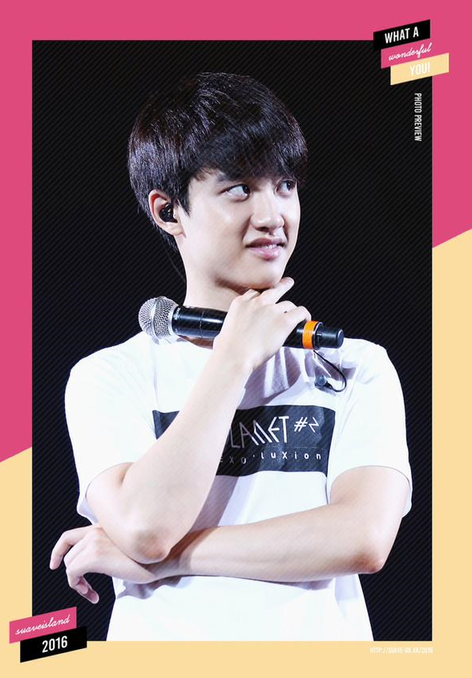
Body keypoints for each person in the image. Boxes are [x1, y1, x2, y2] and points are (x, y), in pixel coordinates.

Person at [49, 72, 413, 641]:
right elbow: (146, 527)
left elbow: (362, 537)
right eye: (240, 189)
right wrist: (233, 361)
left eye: (285, 185)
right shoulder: (109, 376)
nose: (273, 215)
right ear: (168, 211)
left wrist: (170, 560)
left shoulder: (355, 365)